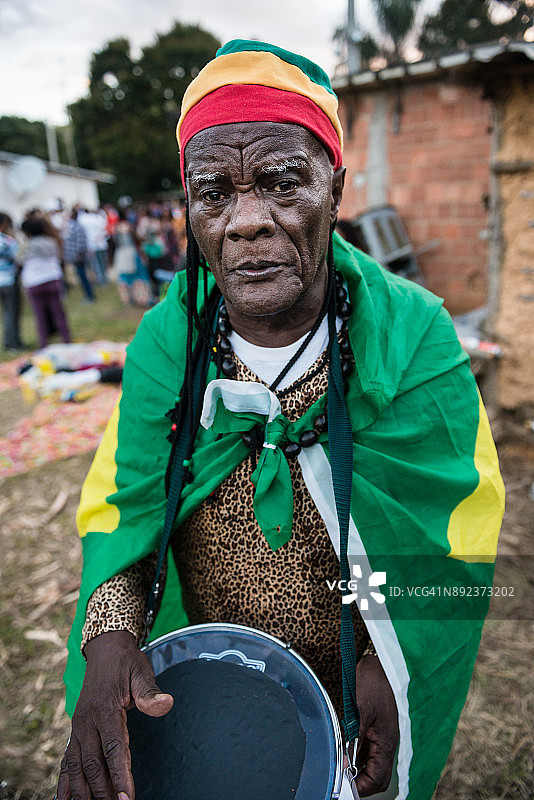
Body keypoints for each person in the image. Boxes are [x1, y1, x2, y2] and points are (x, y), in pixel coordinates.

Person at [59, 40, 505, 800]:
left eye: (282, 183)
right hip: (213, 693)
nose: (246, 223)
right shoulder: (169, 344)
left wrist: (385, 661)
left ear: (336, 187)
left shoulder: (413, 338)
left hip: (355, 690)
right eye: (214, 194)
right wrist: (108, 636)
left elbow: (452, 528)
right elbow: (124, 516)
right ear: (188, 207)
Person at [19, 215, 71, 348]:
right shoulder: (51, 242)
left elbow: (19, 260)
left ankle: (44, 344)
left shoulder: (27, 246)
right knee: (58, 313)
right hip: (53, 279)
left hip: (34, 282)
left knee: (40, 316)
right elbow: (59, 257)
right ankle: (66, 340)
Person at [0, 212, 25, 351]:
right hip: (9, 279)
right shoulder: (6, 241)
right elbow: (18, 256)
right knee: (12, 311)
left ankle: (10, 341)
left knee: (6, 312)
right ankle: (13, 343)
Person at [63, 207, 95, 303]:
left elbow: (81, 243)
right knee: (81, 277)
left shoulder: (77, 227)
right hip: (75, 257)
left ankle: (89, 296)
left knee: (83, 277)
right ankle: (87, 295)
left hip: (79, 257)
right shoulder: (72, 227)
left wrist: (79, 255)